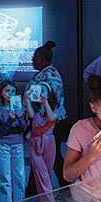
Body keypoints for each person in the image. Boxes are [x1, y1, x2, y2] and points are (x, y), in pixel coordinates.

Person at [27, 41, 68, 191]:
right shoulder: (44, 74)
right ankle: (34, 188)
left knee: (50, 156)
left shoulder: (50, 76)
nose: (32, 60)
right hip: (45, 122)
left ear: (43, 59)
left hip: (49, 123)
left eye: (35, 57)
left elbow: (50, 101)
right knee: (44, 155)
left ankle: (36, 189)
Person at [0, 80, 28, 202]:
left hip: (18, 145)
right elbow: (1, 129)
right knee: (4, 177)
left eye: (13, 91)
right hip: (3, 145)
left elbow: (24, 128)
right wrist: (10, 119)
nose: (10, 94)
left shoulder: (20, 108)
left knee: (19, 177)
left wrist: (19, 117)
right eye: (7, 91)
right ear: (1, 92)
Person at [25, 82, 57, 202]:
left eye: (43, 91)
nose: (40, 93)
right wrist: (27, 100)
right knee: (41, 173)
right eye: (39, 90)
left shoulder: (55, 107)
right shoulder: (35, 108)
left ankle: (43, 201)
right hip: (35, 142)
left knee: (47, 173)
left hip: (49, 142)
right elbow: (30, 116)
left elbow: (51, 118)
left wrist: (45, 102)